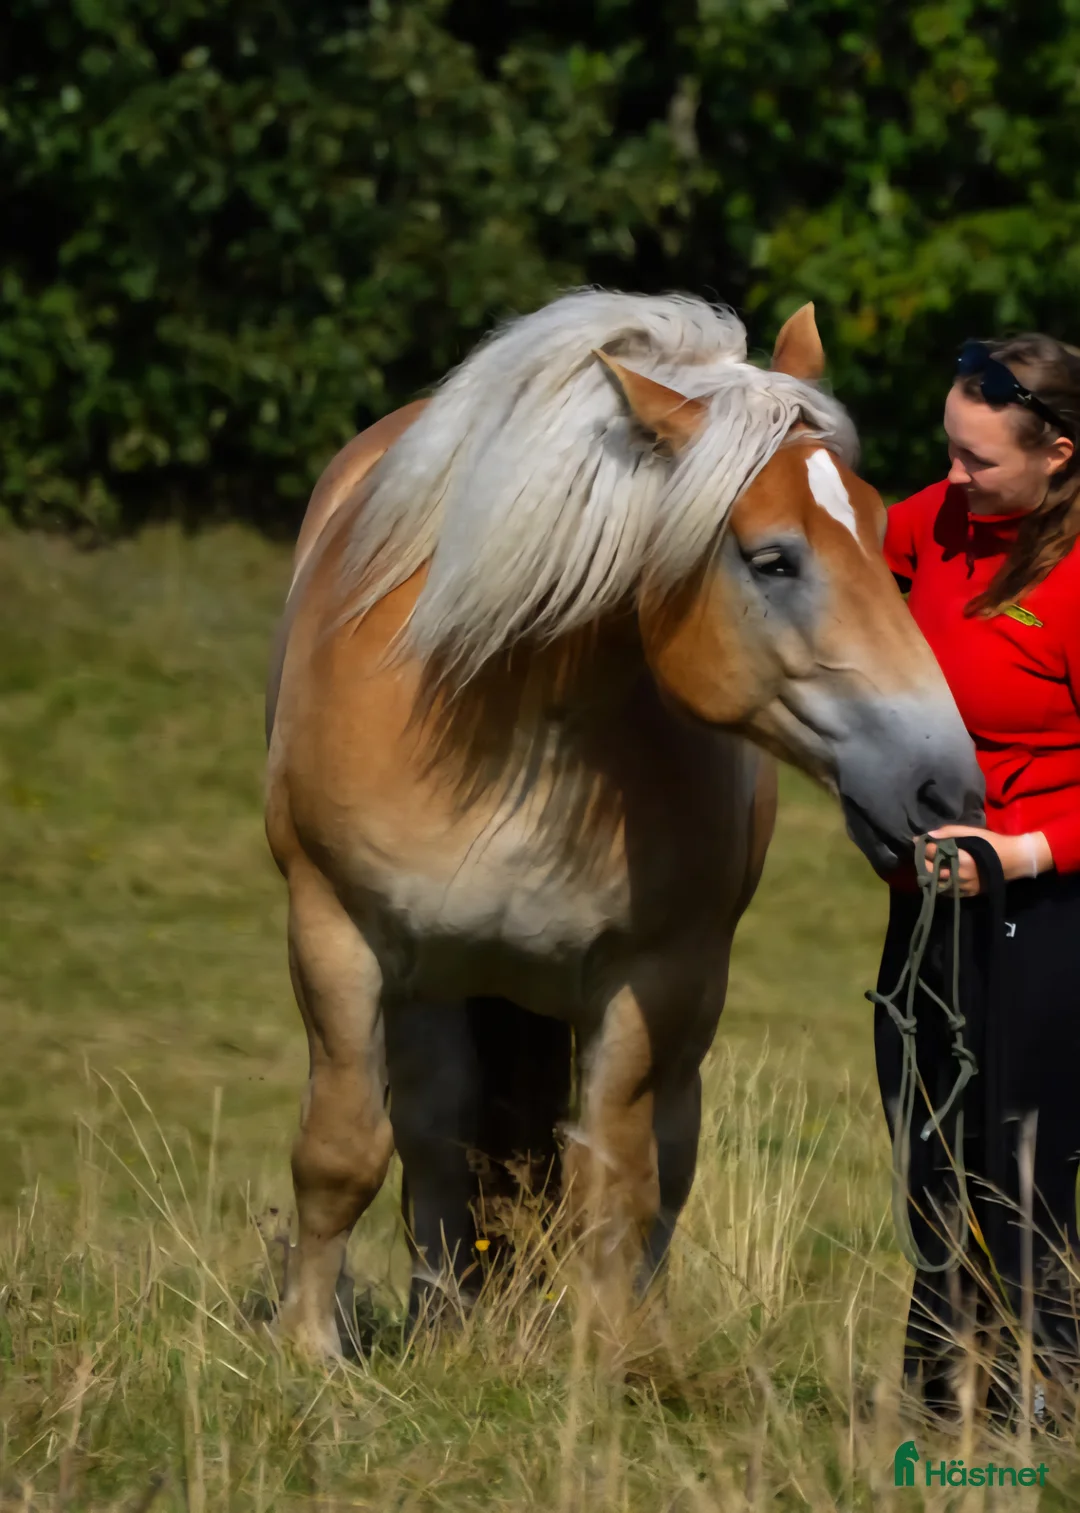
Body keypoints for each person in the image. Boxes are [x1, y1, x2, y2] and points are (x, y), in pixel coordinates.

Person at [874, 333, 1080, 1425]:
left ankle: (1047, 1394)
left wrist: (1023, 852)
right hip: (926, 905)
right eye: (946, 450)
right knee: (930, 1151)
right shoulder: (935, 519)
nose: (949, 478)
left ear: (1059, 454)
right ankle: (943, 1395)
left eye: (977, 461)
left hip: (1047, 903)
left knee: (1024, 1160)